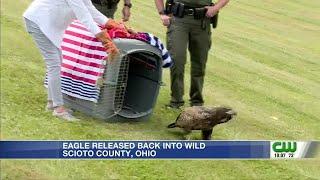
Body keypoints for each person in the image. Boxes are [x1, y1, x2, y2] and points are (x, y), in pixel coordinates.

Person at [23, 0, 124, 121]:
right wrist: (103, 38)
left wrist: (110, 23)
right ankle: (58, 109)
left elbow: (91, 10)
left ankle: (52, 103)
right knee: (54, 64)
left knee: (56, 63)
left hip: (46, 23)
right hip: (38, 21)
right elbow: (84, 16)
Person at [155, 0, 229, 108]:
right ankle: (176, 100)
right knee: (177, 60)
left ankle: (197, 101)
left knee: (199, 64)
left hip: (202, 21)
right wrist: (162, 13)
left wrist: (216, 8)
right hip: (178, 20)